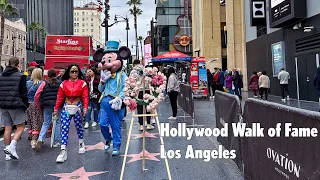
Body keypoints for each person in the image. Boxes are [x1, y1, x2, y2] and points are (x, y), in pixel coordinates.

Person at [53, 64, 89, 163]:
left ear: (78, 72)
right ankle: (63, 150)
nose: (74, 73)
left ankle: (81, 143)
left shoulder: (83, 83)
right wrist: (56, 109)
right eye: (72, 71)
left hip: (77, 107)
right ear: (68, 72)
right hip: (66, 107)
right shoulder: (63, 84)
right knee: (64, 127)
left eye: (76, 71)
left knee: (79, 126)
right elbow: (59, 97)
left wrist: (85, 107)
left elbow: (85, 96)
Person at [0, 58, 28, 160]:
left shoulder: (1, 76)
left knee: (7, 128)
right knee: (20, 127)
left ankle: (8, 154)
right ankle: (12, 147)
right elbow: (23, 93)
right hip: (16, 104)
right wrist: (25, 104)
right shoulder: (21, 76)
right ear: (17, 65)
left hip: (3, 105)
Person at [34, 68, 62, 150]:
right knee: (57, 123)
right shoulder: (60, 83)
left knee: (46, 123)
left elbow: (37, 95)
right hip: (57, 105)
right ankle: (56, 142)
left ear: (48, 75)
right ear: (56, 75)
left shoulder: (44, 83)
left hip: (47, 105)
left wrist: (39, 104)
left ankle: (40, 139)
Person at [130, 60, 154, 130]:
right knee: (148, 107)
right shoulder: (146, 69)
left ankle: (141, 125)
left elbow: (131, 81)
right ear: (140, 63)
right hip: (146, 89)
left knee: (139, 108)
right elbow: (150, 80)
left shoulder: (133, 71)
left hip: (138, 91)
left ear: (134, 64)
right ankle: (148, 124)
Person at [26, 68, 44, 149]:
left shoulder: (27, 83)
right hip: (36, 104)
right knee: (37, 121)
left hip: (28, 104)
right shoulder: (41, 83)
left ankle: (30, 135)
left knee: (30, 120)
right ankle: (34, 140)